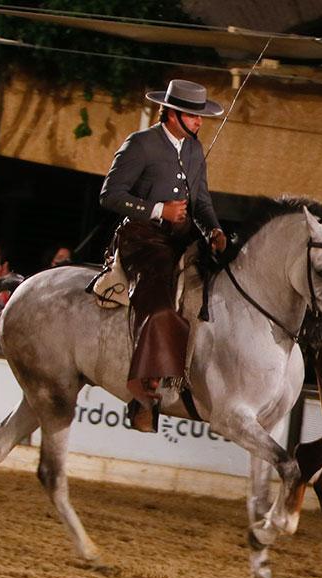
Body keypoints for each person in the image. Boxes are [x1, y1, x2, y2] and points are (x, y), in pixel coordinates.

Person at [99, 79, 228, 433]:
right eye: (193, 115)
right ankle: (144, 393)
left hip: (183, 239)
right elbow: (110, 195)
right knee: (159, 306)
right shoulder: (140, 145)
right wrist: (158, 210)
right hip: (143, 239)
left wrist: (214, 230)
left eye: (201, 117)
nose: (200, 122)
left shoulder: (194, 149)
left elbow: (201, 201)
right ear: (172, 114)